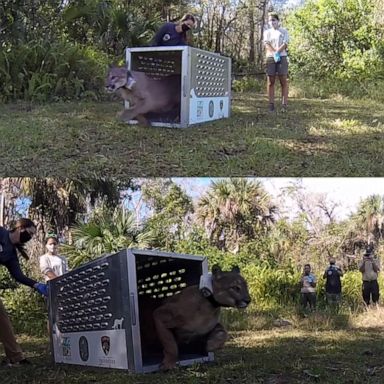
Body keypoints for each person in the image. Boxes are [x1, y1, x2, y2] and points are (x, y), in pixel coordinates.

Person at [0, 218, 48, 367]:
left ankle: (15, 357)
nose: (30, 237)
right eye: (30, 233)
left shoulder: (11, 254)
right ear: (20, 228)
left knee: (2, 319)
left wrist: (36, 285)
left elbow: (18, 275)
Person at [263, 12, 289, 112]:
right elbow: (266, 44)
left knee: (283, 79)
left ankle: (284, 104)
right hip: (270, 57)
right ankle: (271, 104)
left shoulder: (284, 31)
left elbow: (285, 44)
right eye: (270, 20)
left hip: (282, 57)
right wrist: (274, 52)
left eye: (274, 20)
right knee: (271, 81)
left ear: (278, 21)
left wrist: (278, 52)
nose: (272, 22)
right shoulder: (267, 32)